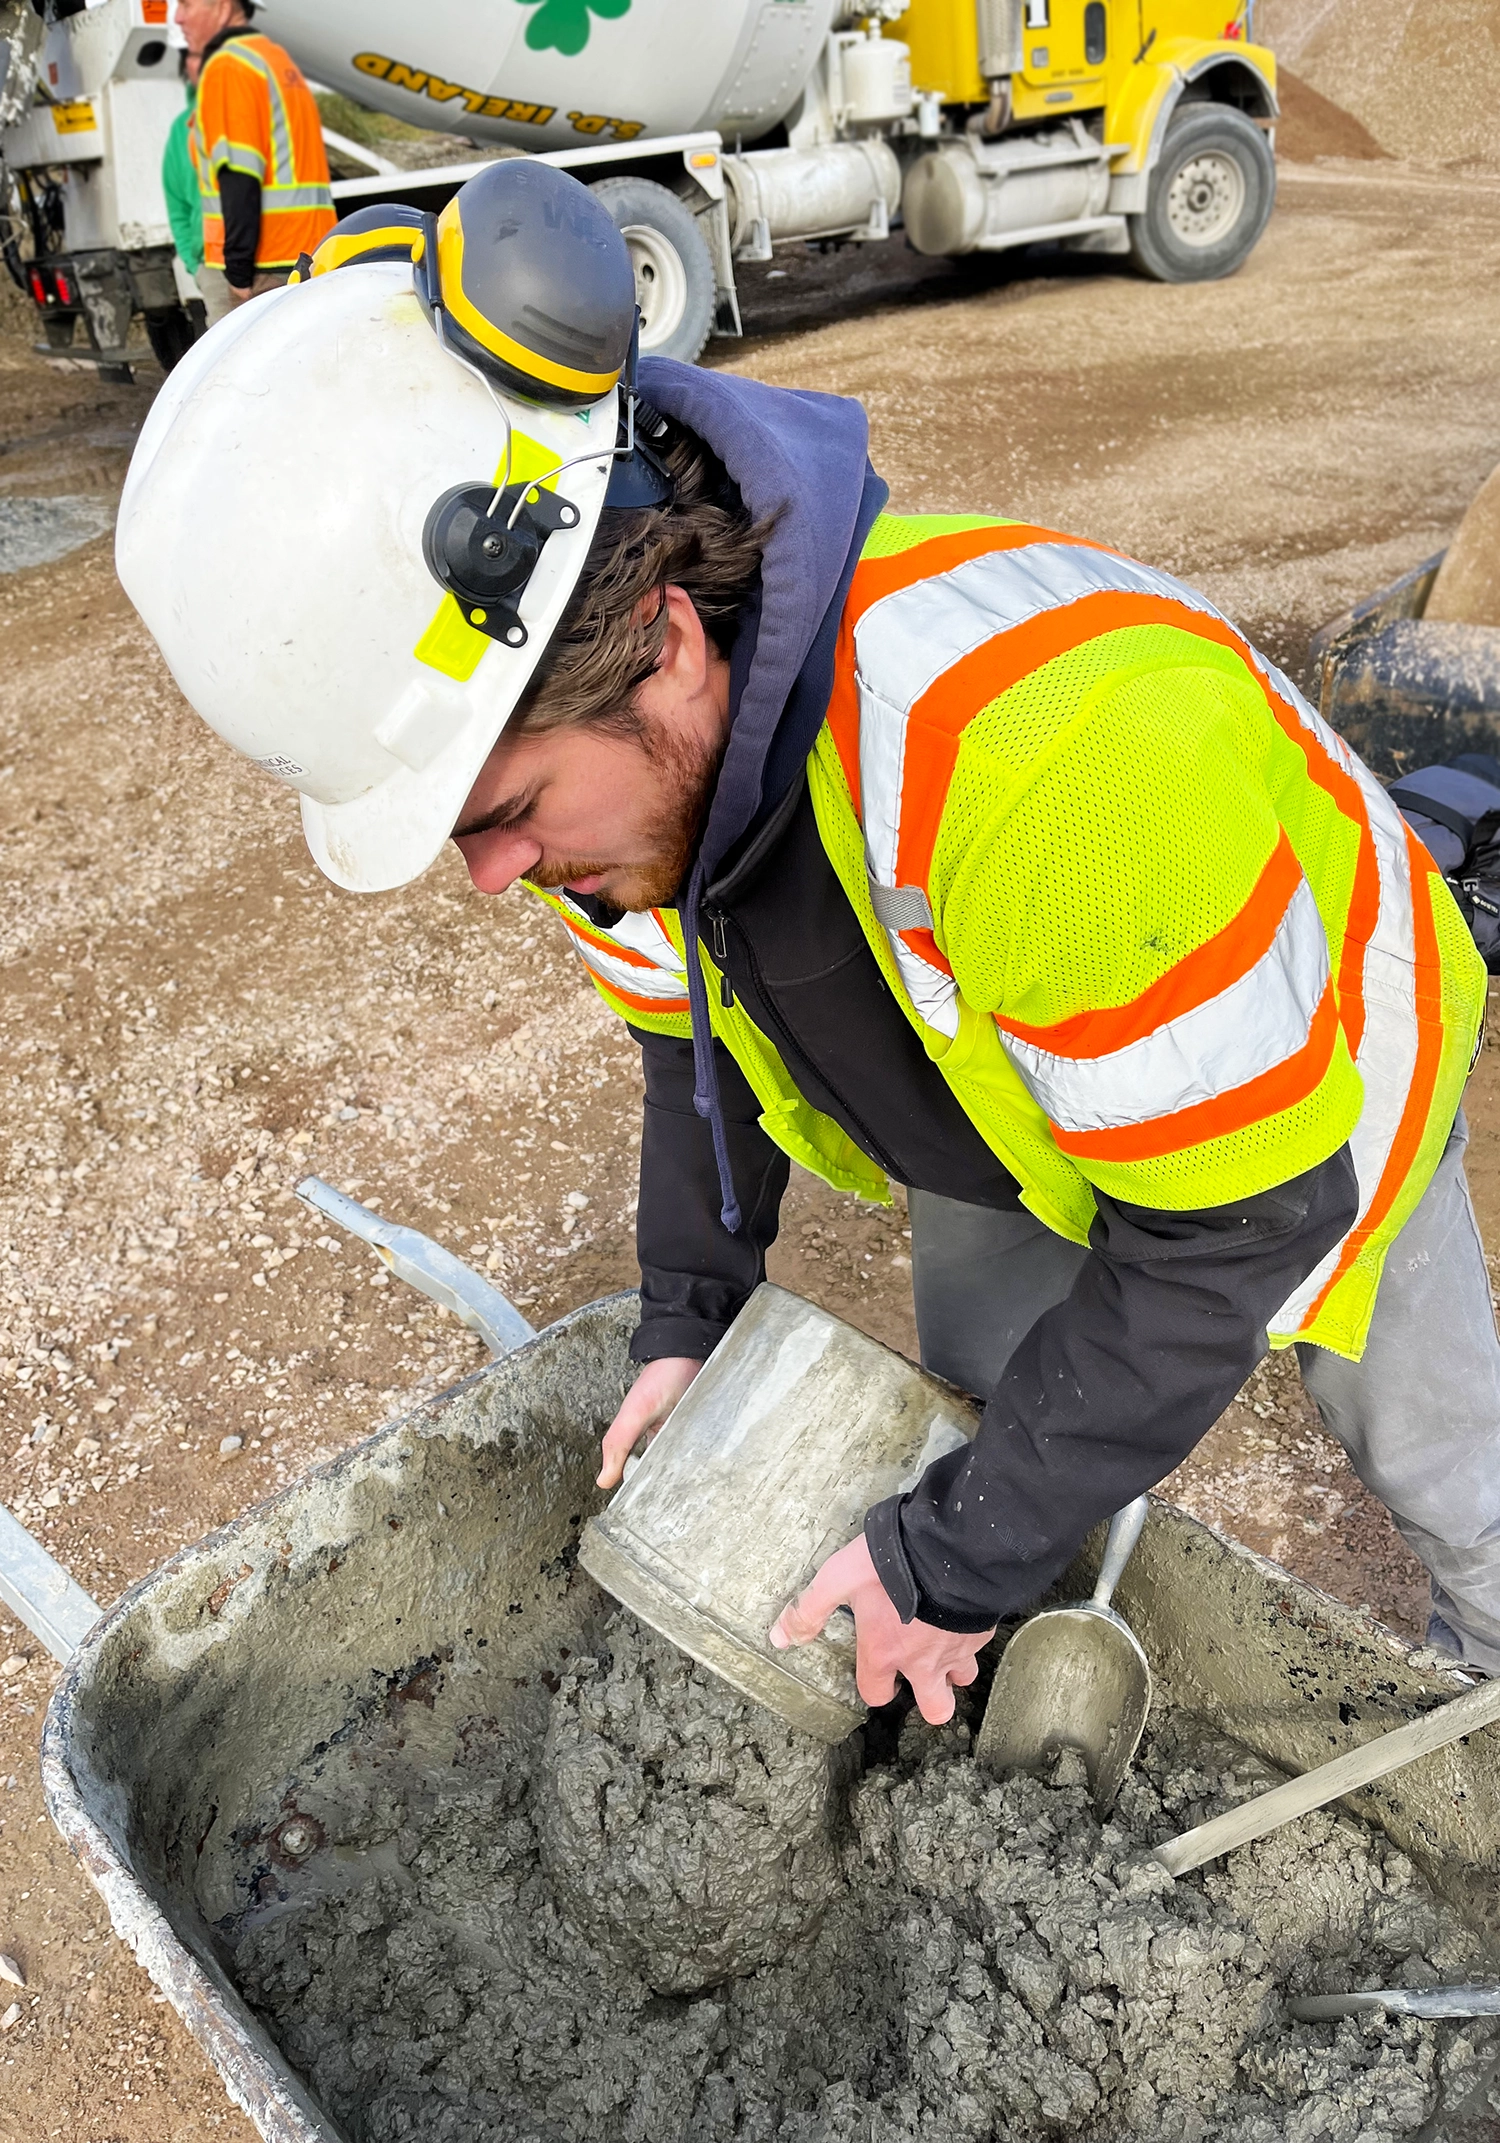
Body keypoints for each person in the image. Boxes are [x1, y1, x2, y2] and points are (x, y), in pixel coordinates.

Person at [116, 164, 1496, 1736]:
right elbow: (679, 1054)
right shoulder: (620, 792)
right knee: (993, 1412)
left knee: (1440, 1456)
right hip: (1014, 1079)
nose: (497, 875)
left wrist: (957, 1542)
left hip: (1300, 1057)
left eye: (502, 810)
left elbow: (1236, 1227)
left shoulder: (1042, 760)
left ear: (671, 648)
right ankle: (982, 1658)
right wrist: (687, 1320)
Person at [175, 0, 333, 326]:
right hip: (308, 252)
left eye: (186, 4)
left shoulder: (229, 67)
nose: (178, 18)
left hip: (266, 266)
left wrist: (238, 272)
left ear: (221, 6)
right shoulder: (273, 59)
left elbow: (240, 176)